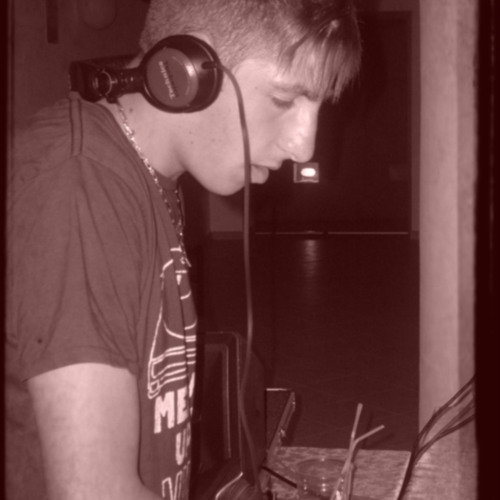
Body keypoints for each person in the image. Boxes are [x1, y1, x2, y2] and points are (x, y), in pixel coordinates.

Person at [5, 0, 361, 499]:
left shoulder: (148, 176)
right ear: (187, 72)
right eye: (285, 99)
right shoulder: (78, 189)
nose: (305, 146)